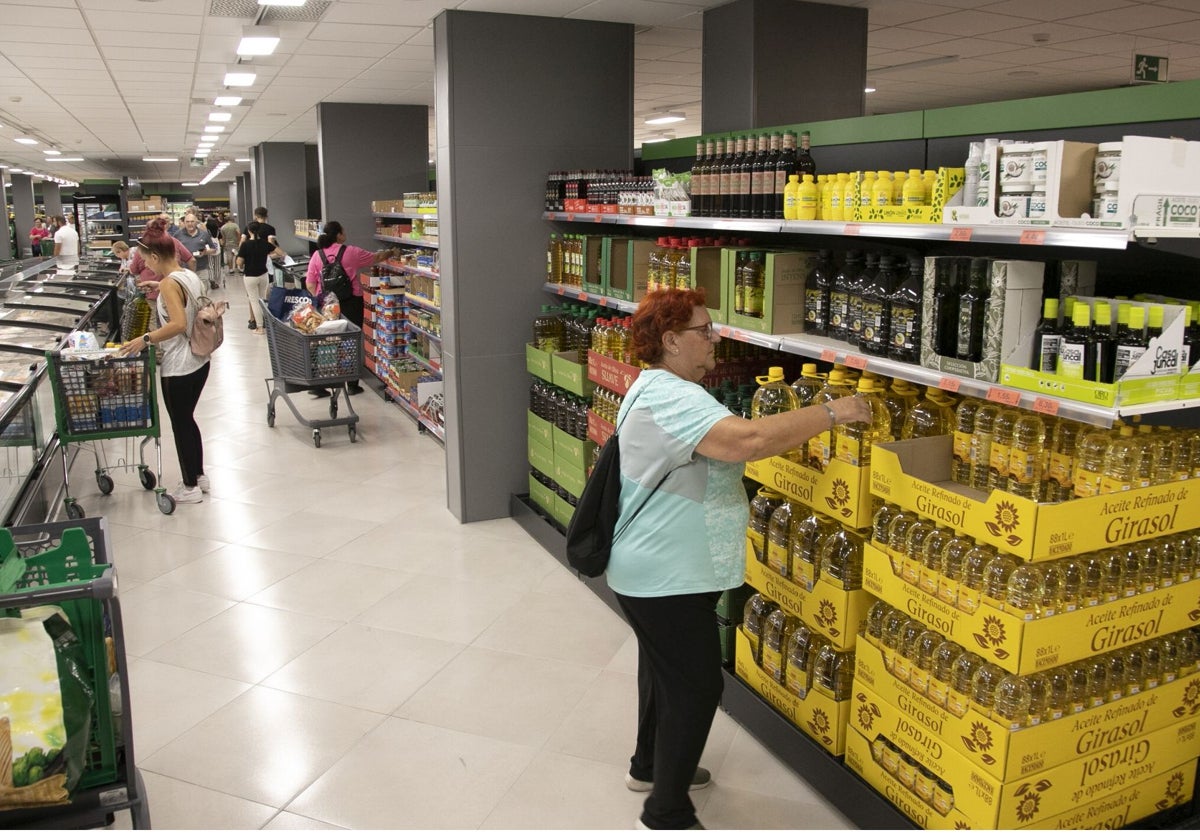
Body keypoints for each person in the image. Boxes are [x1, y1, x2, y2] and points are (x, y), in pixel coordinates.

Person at [609, 288, 870, 831]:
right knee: (698, 685)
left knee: (662, 671)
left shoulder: (657, 386)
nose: (715, 339)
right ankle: (667, 810)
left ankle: (649, 765)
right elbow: (746, 441)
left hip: (654, 565)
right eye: (704, 331)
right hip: (666, 573)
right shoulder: (676, 397)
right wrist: (832, 411)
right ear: (671, 341)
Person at [117, 218, 212, 504]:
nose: (146, 263)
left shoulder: (170, 284)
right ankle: (199, 475)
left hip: (179, 365)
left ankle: (189, 487)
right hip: (199, 360)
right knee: (188, 420)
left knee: (180, 423)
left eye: (146, 259)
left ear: (155, 256)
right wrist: (155, 283)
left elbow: (179, 323)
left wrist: (144, 339)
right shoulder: (187, 275)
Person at [305, 221, 395, 396]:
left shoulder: (317, 255)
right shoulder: (351, 252)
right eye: (343, 230)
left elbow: (310, 284)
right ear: (339, 234)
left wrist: (323, 299)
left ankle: (319, 383)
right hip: (351, 302)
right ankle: (352, 383)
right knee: (351, 340)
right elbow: (375, 258)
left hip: (328, 305)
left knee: (324, 340)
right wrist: (392, 252)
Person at [236, 221, 285, 335]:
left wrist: (240, 262)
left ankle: (259, 327)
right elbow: (280, 253)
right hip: (264, 275)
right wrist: (269, 256)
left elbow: (240, 262)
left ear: (249, 231)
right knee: (263, 300)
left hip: (250, 276)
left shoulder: (245, 245)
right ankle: (266, 323)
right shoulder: (264, 243)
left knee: (254, 301)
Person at [176, 212, 219, 289]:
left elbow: (213, 249)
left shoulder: (204, 234)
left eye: (192, 221)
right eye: (187, 222)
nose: (190, 224)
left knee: (203, 292)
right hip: (185, 270)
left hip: (201, 269)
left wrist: (205, 252)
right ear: (184, 223)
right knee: (188, 294)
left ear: (196, 222)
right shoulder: (178, 234)